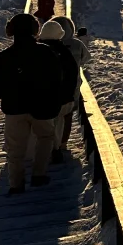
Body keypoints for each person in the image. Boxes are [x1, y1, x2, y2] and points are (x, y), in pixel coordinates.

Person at [0, 13, 74, 194]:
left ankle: (16, 184)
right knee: (45, 138)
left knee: (15, 148)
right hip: (43, 107)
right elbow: (58, 80)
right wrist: (52, 99)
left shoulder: (3, 57)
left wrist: (10, 95)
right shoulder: (47, 53)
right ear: (35, 30)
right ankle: (39, 174)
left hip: (14, 109)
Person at [39, 18, 87, 162]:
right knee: (65, 118)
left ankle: (47, 148)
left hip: (44, 94)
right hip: (68, 93)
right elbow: (84, 60)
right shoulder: (75, 45)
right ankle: (61, 144)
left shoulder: (39, 47)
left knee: (46, 121)